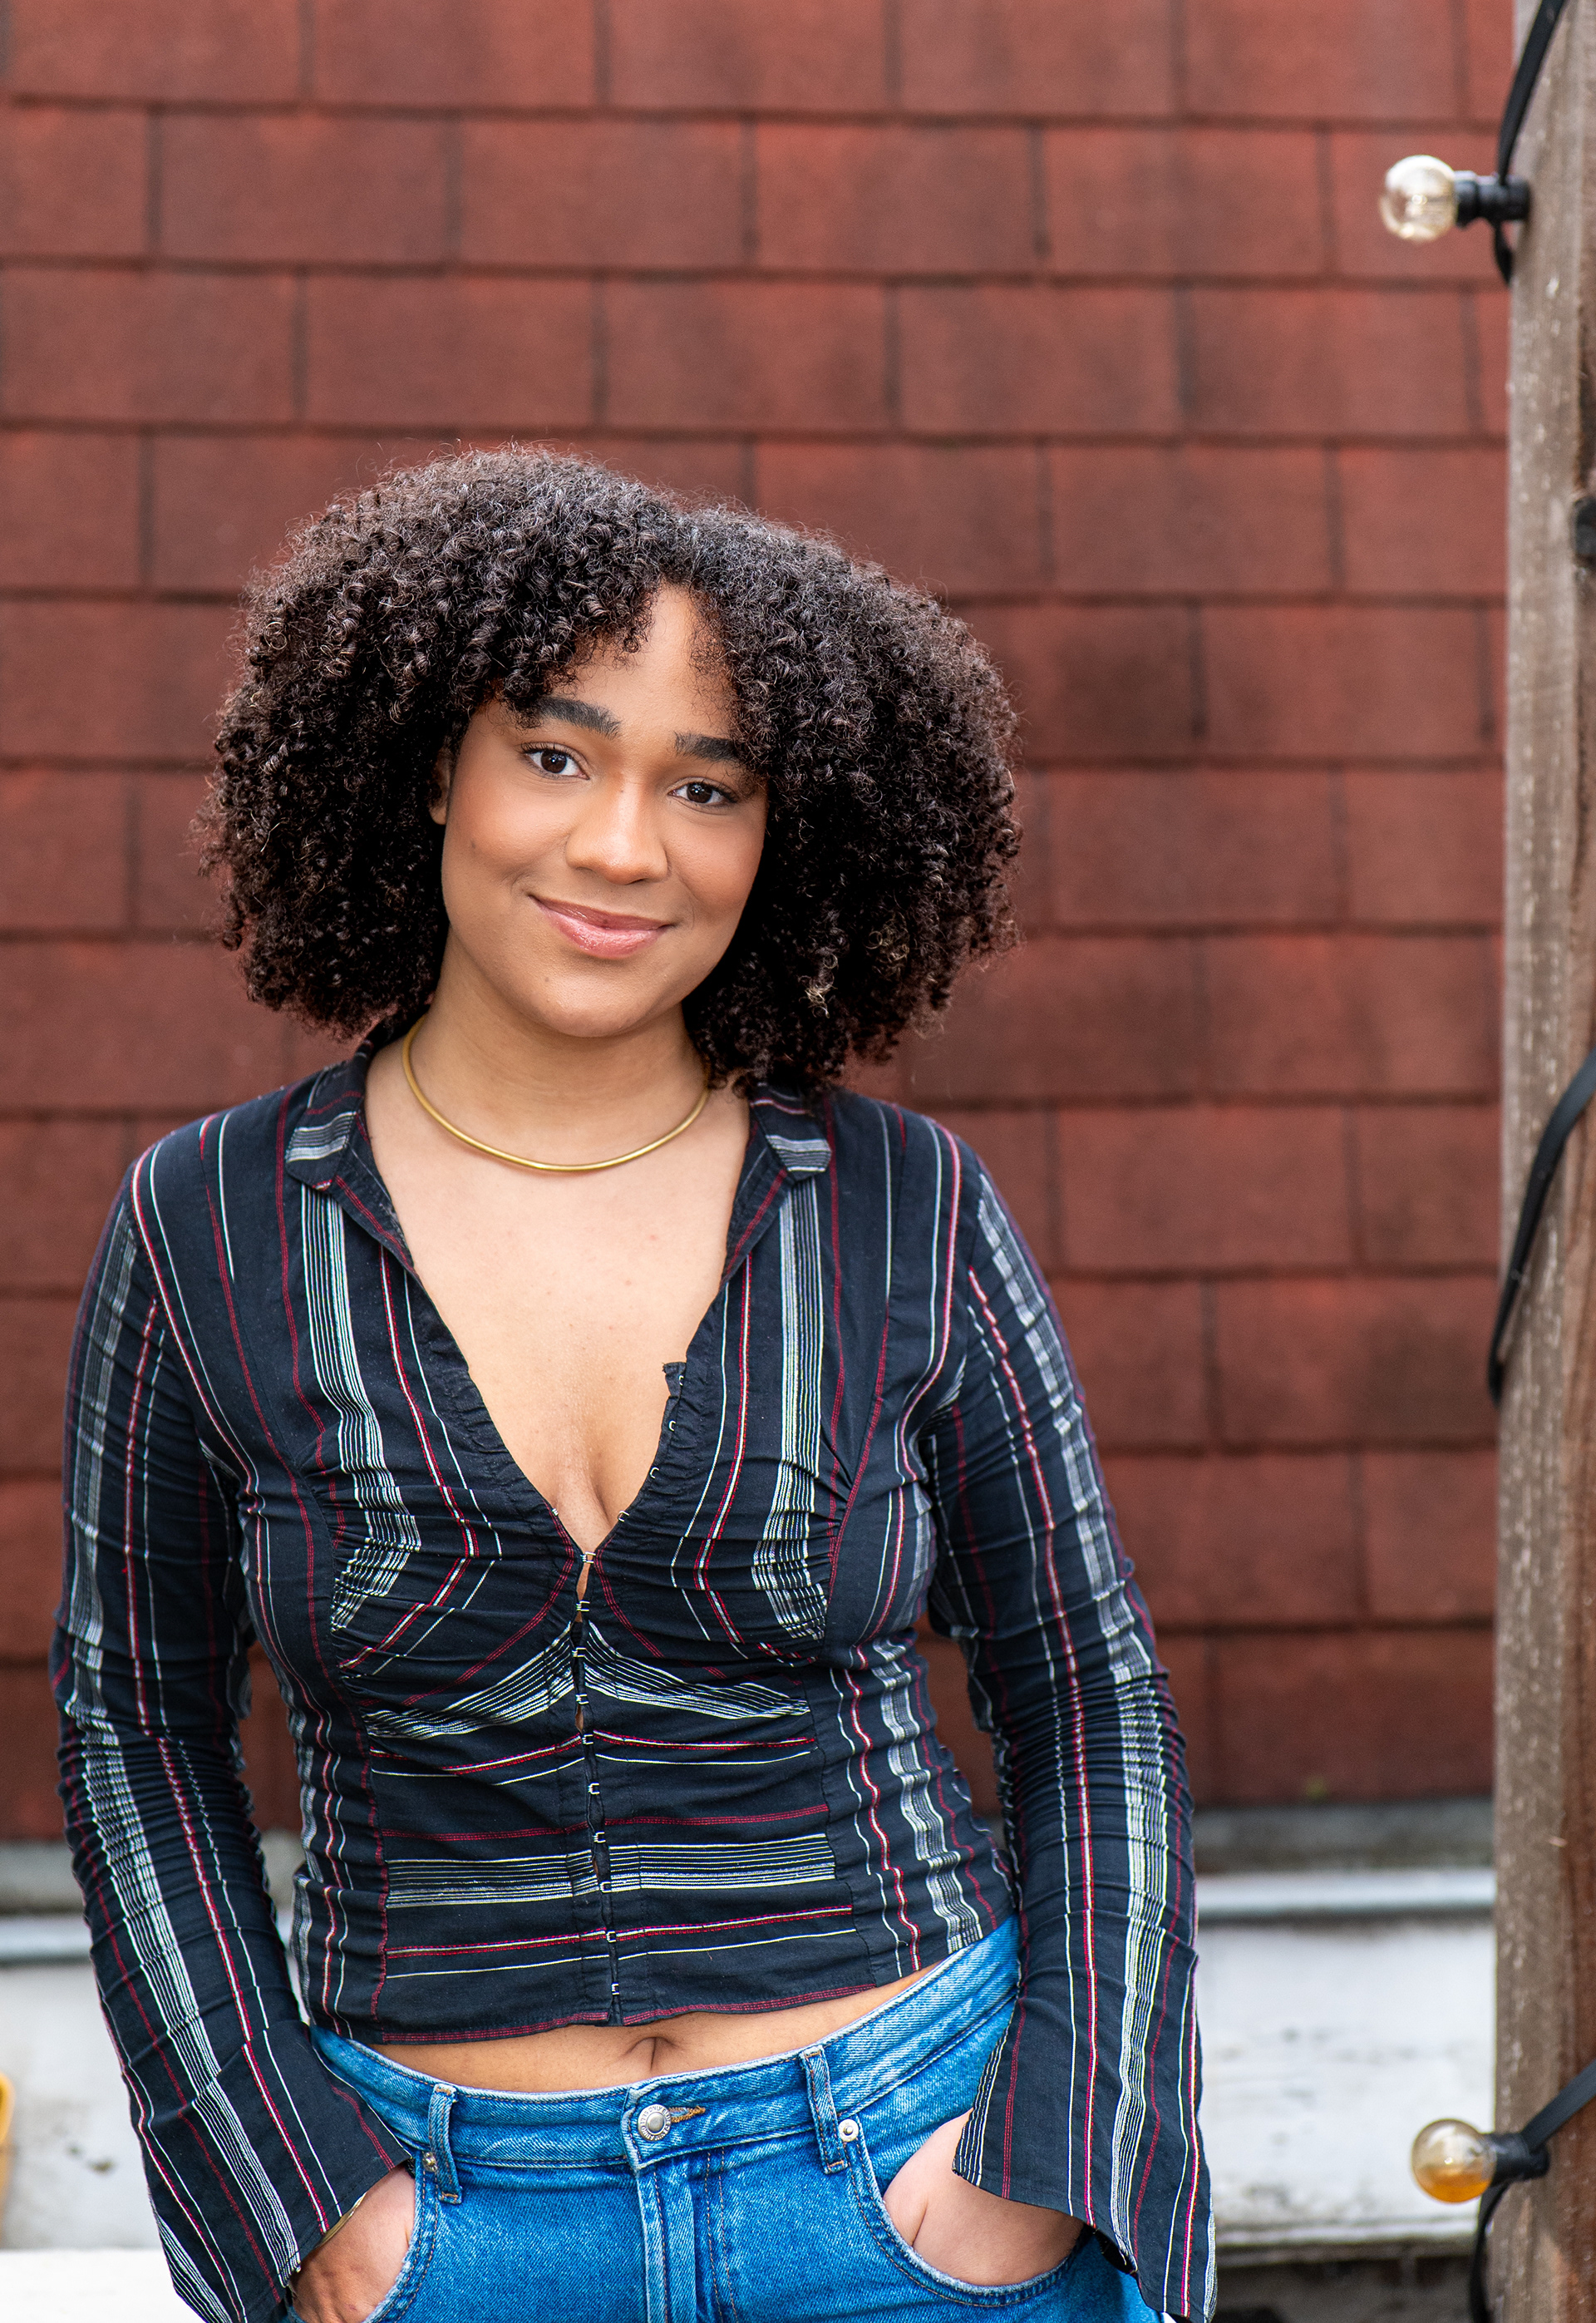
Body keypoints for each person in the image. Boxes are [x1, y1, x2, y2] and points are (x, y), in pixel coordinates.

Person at [53, 451, 1210, 2323]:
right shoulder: (205, 1223)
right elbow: (135, 1731)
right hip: (433, 2226)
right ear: (434, 763)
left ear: (782, 834)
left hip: (915, 2187)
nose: (621, 847)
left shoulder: (906, 1206)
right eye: (558, 754)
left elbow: (1090, 1687)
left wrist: (1054, 2153)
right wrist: (295, 2200)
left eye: (707, 785)